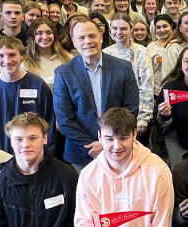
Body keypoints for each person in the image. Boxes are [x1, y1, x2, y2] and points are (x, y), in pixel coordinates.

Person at [52, 19, 139, 168]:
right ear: (74, 42)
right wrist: (93, 145)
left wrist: (107, 143)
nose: (88, 41)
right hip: (82, 152)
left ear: (101, 37)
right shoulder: (64, 73)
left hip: (118, 149)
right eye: (81, 37)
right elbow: (64, 119)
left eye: (92, 36)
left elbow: (130, 110)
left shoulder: (123, 67)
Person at [0, 36, 56, 155]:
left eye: (12, 55)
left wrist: (46, 156)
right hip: (1, 156)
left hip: (36, 155)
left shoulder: (38, 85)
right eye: (1, 56)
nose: (7, 60)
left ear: (22, 56)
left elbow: (49, 124)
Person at [105, 13, 155, 138]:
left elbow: (147, 85)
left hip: (136, 112)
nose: (119, 32)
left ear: (131, 29)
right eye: (115, 28)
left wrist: (143, 117)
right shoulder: (104, 53)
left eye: (123, 28)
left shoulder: (141, 52)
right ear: (110, 30)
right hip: (111, 112)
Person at [22, 19, 71, 90]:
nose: (45, 37)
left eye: (49, 33)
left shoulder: (68, 58)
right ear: (32, 36)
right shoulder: (24, 62)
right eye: (39, 33)